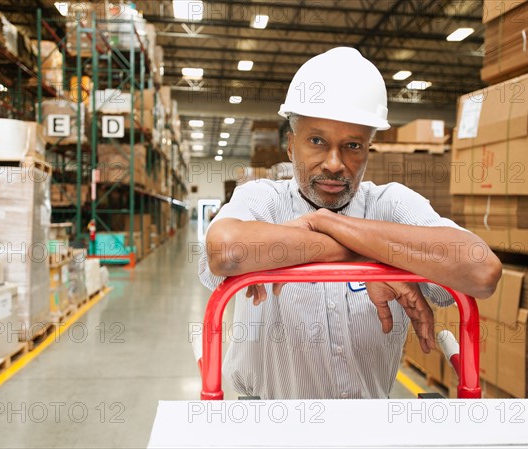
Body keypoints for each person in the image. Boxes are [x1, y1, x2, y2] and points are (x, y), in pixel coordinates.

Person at [198, 47, 502, 400]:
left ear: (368, 149)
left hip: (369, 428)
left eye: (352, 146)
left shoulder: (390, 204)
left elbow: (482, 271)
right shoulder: (264, 200)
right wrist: (370, 261)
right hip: (268, 424)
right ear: (291, 146)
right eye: (317, 141)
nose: (333, 163)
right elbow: (227, 249)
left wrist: (323, 225)